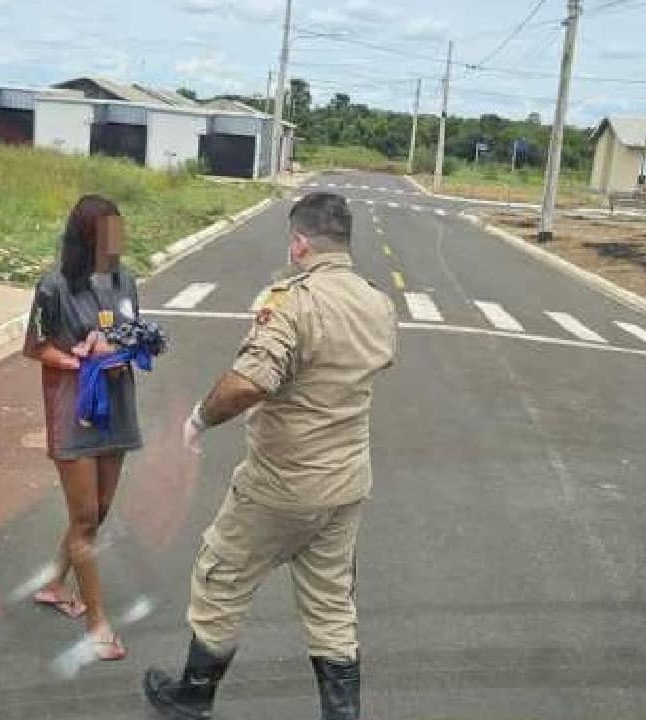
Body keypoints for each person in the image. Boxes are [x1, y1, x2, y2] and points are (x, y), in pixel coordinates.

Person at [143, 193, 398, 719]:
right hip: (346, 483)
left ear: (300, 242)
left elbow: (248, 383)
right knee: (330, 604)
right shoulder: (378, 301)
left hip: (282, 483)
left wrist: (197, 420)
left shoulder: (293, 300)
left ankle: (193, 696)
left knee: (221, 576)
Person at [22, 195, 143, 661]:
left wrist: (125, 348)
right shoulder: (53, 287)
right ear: (87, 236)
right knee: (87, 519)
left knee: (98, 510)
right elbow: (35, 348)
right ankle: (97, 624)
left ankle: (55, 584)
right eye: (109, 230)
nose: (118, 239)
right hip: (73, 410)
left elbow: (137, 332)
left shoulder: (125, 280)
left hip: (118, 408)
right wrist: (80, 358)